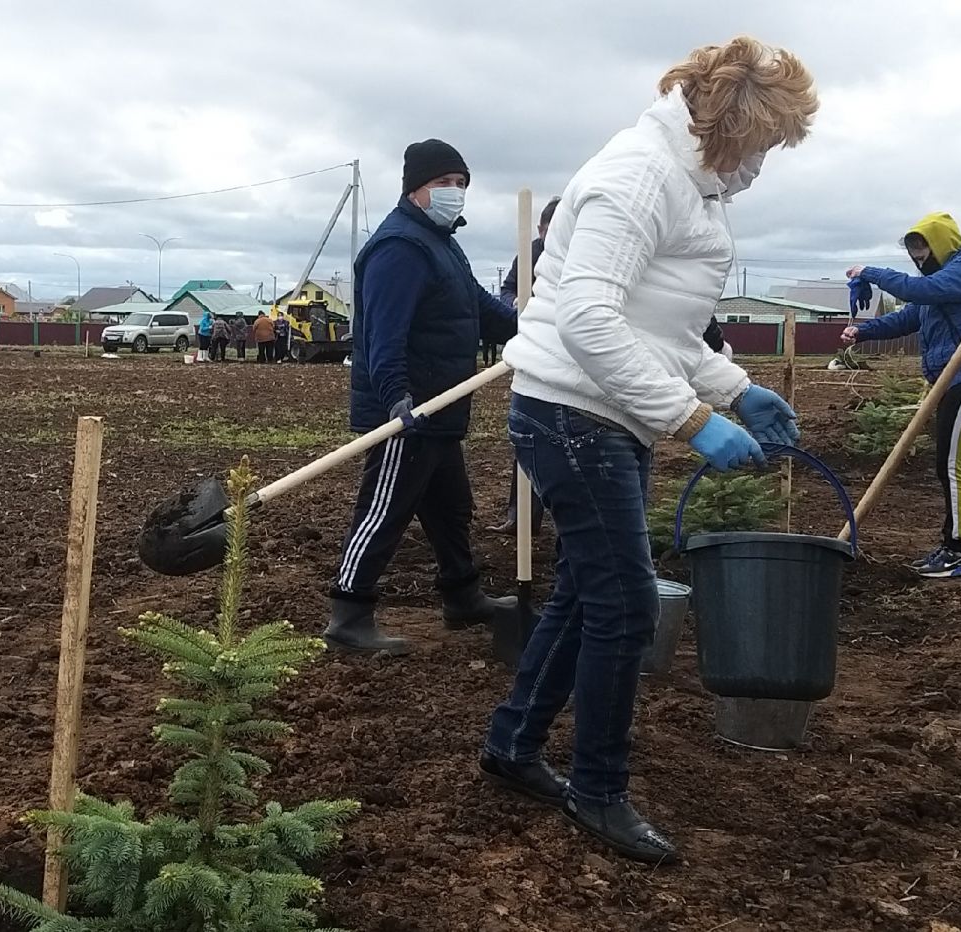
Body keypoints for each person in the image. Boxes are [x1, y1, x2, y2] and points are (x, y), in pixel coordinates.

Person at [482, 36, 813, 864]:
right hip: (570, 413)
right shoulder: (640, 177)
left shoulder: (694, 188)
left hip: (605, 413)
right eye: (765, 143)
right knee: (626, 607)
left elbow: (654, 328)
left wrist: (733, 386)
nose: (764, 164)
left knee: (586, 597)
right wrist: (693, 421)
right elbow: (590, 321)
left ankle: (514, 745)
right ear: (732, 124)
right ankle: (598, 789)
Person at [326, 138, 522, 654]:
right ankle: (349, 613)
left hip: (441, 406)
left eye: (461, 184)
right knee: (383, 510)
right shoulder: (400, 248)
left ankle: (462, 596)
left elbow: (477, 308)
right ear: (415, 189)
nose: (454, 192)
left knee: (450, 508)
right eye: (444, 183)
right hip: (409, 411)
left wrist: (531, 328)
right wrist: (396, 399)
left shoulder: (441, 242)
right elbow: (382, 337)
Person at [841, 212, 961, 579]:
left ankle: (958, 553)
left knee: (952, 465)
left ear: (941, 242)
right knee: (949, 464)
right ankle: (951, 547)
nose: (918, 259)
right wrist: (863, 332)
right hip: (953, 381)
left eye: (922, 249)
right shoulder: (940, 280)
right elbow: (909, 315)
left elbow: (918, 291)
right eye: (913, 252)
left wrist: (871, 272)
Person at [488, 195, 561, 535]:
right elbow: (506, 290)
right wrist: (514, 302)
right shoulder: (530, 251)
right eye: (547, 233)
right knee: (527, 439)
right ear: (540, 229)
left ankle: (564, 520)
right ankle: (521, 518)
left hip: (573, 362)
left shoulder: (590, 252)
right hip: (534, 356)